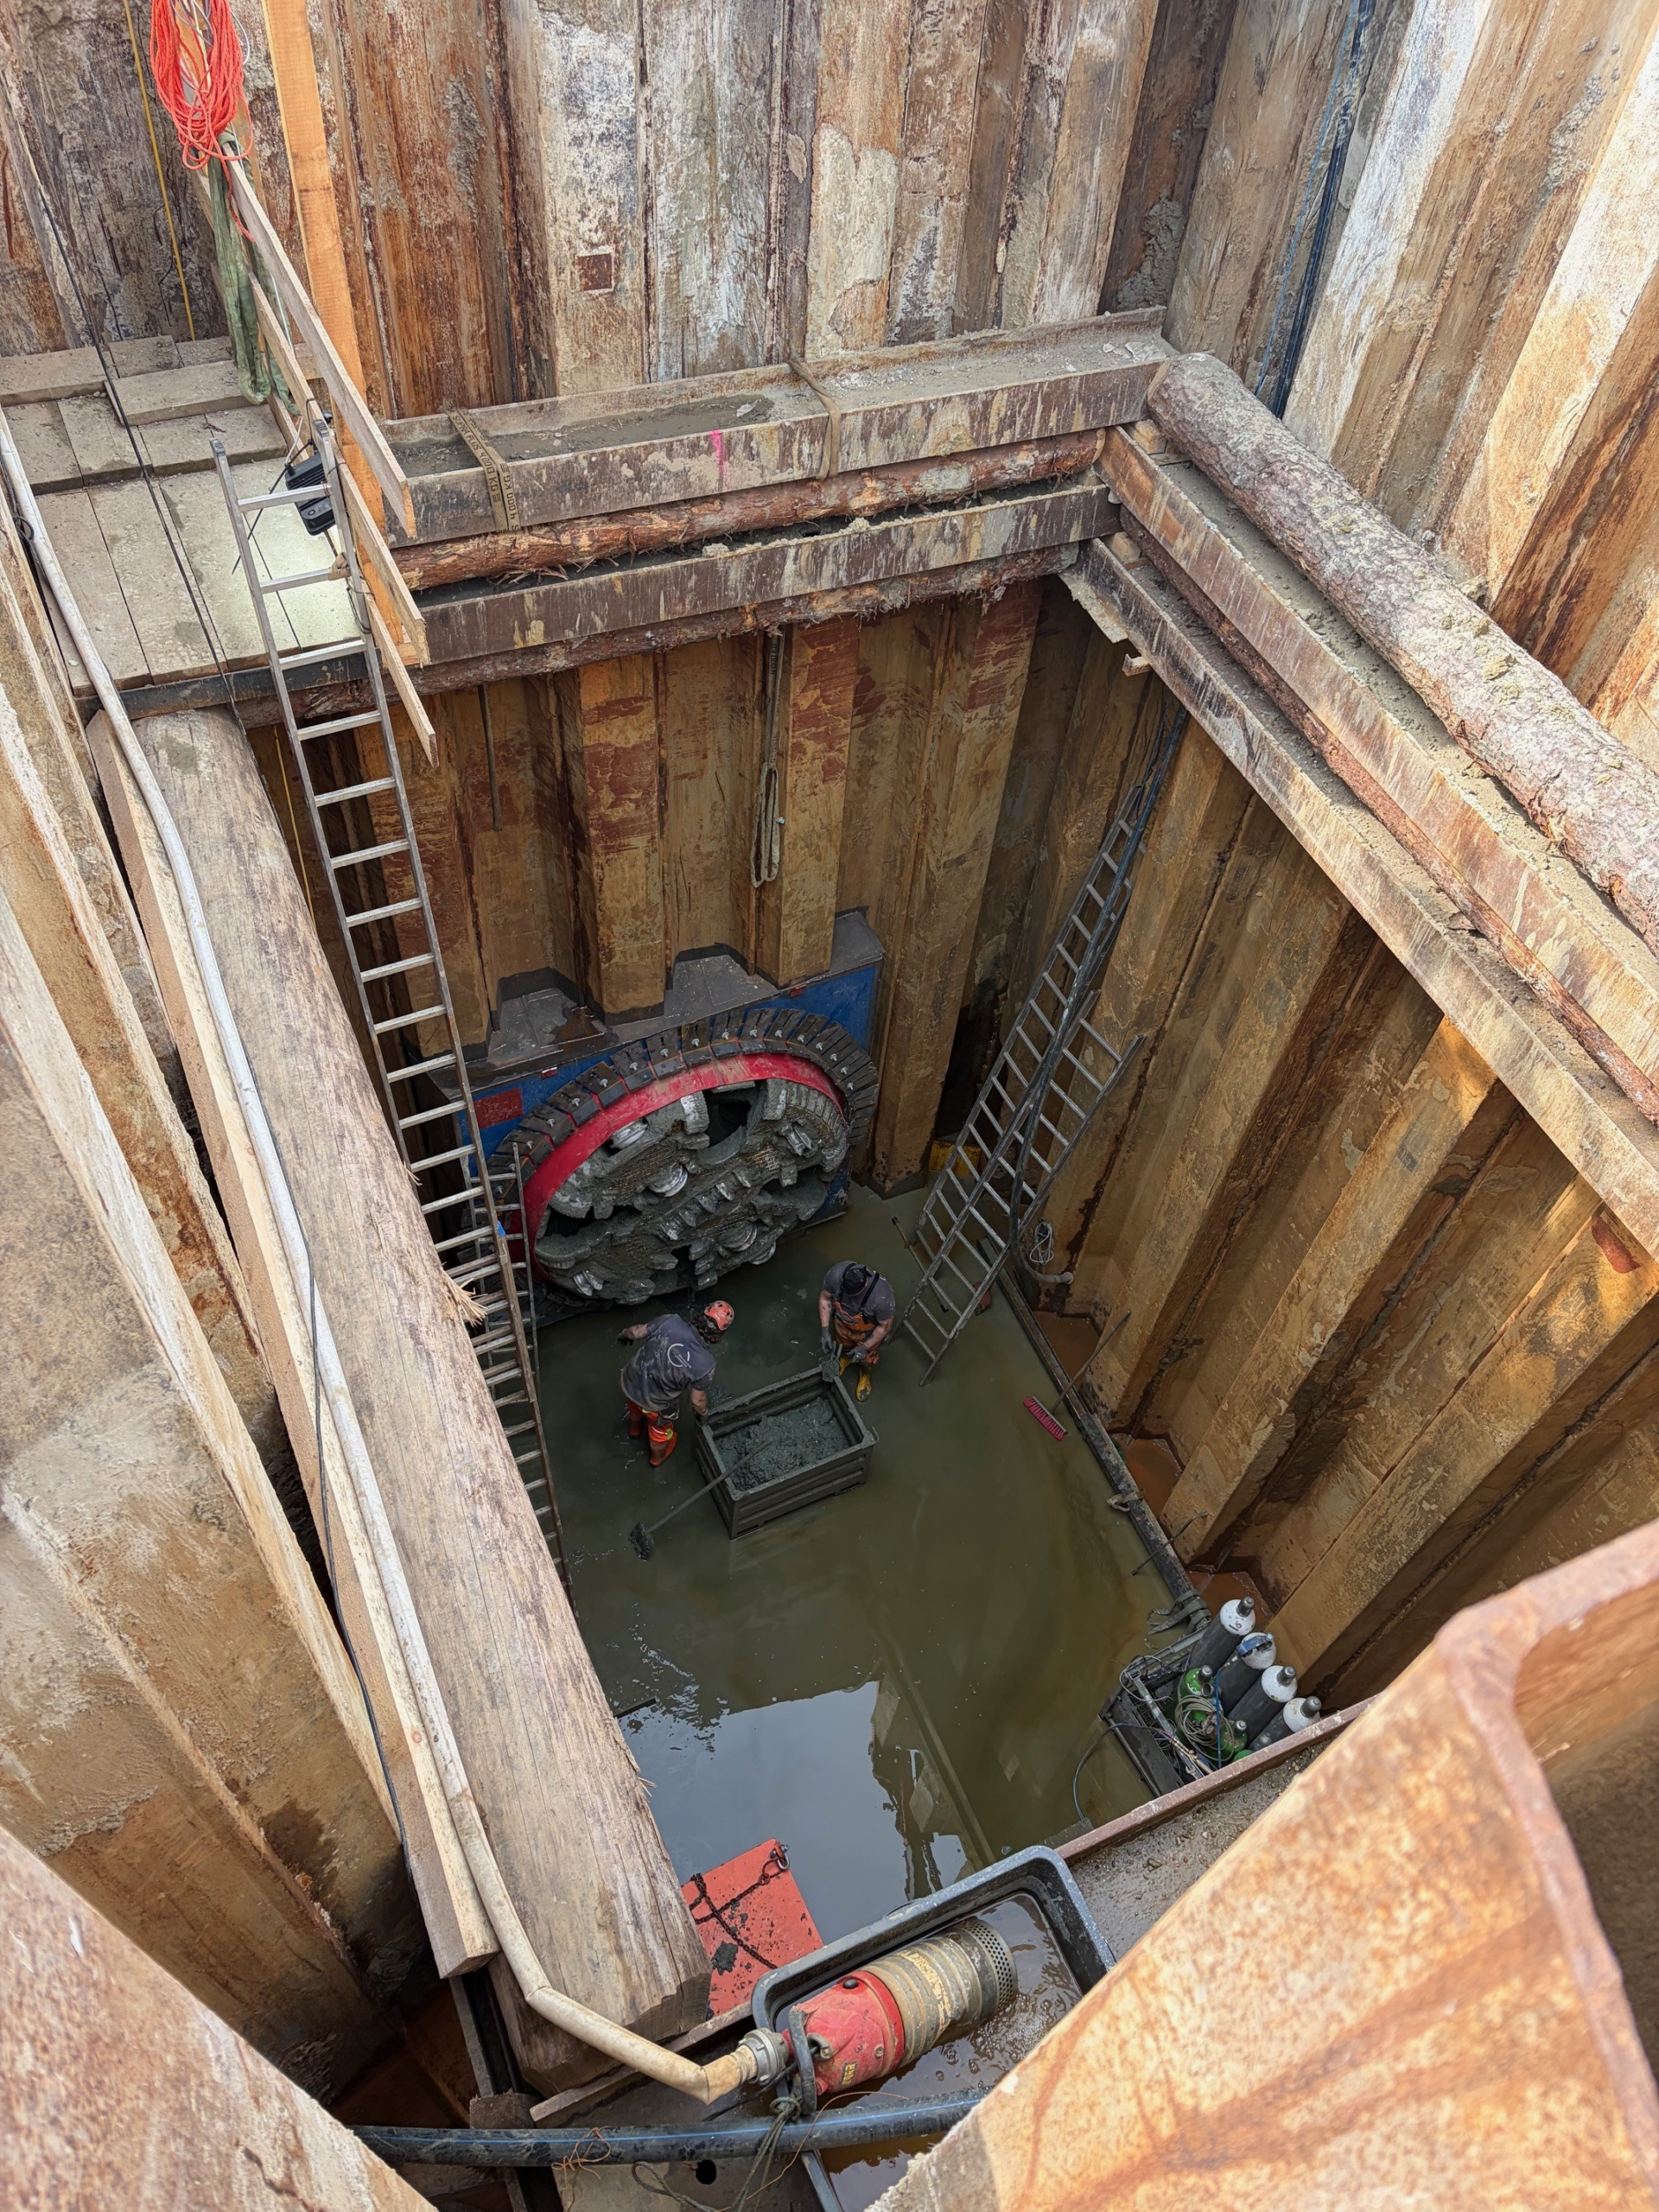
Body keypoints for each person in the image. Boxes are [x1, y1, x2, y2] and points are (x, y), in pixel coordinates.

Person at [618, 1301, 734, 1465]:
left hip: (629, 1382)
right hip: (655, 1405)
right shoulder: (705, 1364)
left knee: (634, 1405)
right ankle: (656, 1459)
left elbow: (636, 1332)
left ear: (701, 1315)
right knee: (661, 1430)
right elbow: (697, 1400)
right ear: (720, 1334)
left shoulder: (670, 1321)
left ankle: (634, 1430)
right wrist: (703, 1414)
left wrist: (623, 1334)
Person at [818, 1261, 895, 1400]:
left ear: (864, 1285)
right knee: (843, 1345)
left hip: (867, 1333)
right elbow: (825, 1299)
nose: (850, 1299)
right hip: (842, 1324)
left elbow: (884, 1326)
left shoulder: (881, 1296)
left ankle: (865, 1374)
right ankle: (845, 1359)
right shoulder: (836, 1274)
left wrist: (865, 1347)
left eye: (854, 1296)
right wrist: (824, 1329)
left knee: (865, 1358)